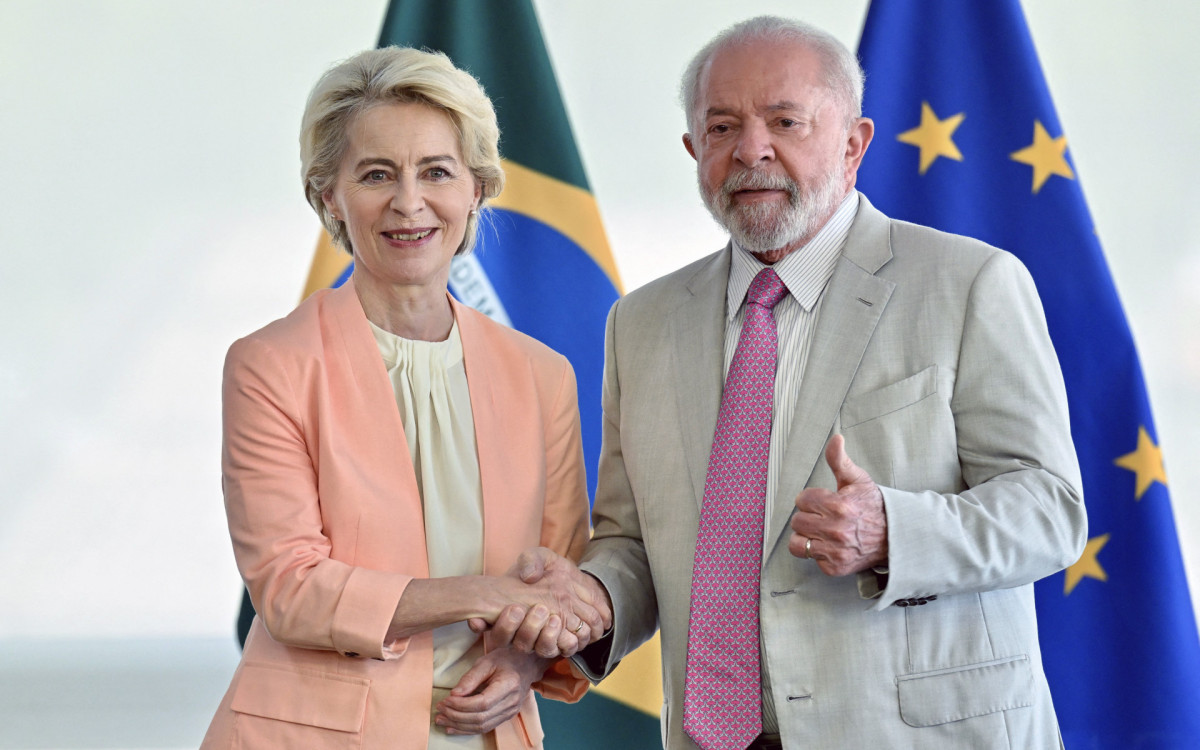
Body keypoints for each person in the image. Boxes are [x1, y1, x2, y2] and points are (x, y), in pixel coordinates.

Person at [494, 15, 1087, 750]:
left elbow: (1050, 509)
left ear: (853, 143)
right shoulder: (639, 324)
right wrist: (593, 595)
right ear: (693, 150)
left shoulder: (970, 284)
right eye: (721, 127)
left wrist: (894, 531)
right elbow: (636, 542)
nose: (751, 149)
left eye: (785, 120)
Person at [201, 46, 609, 750]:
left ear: (477, 189)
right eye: (376, 174)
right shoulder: (270, 366)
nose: (409, 202)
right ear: (329, 194)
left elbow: (560, 577)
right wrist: (486, 593)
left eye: (437, 172)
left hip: (489, 732)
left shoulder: (542, 373)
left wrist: (520, 658)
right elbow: (291, 588)